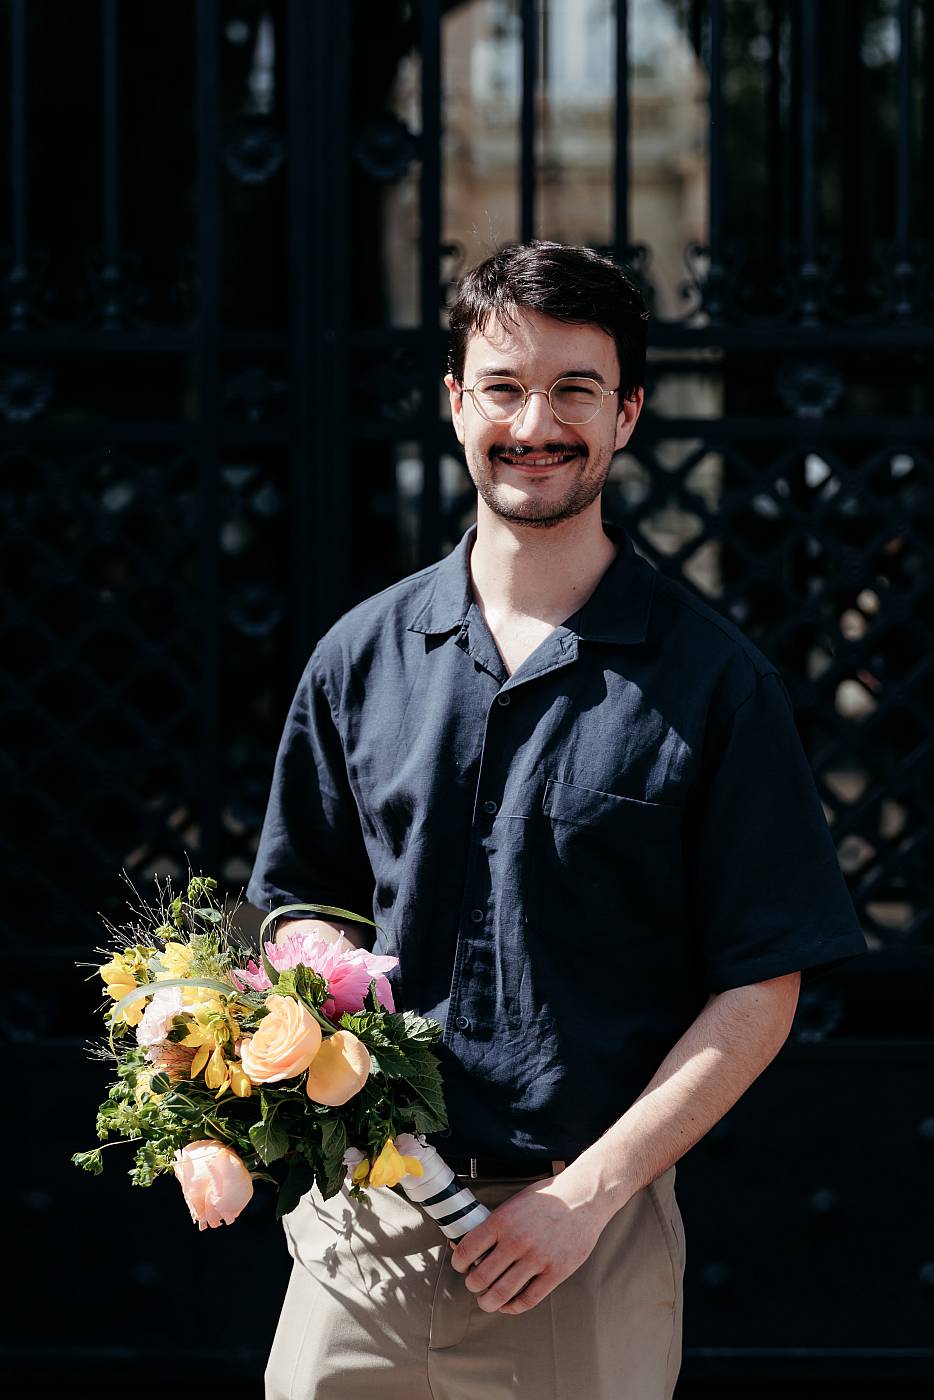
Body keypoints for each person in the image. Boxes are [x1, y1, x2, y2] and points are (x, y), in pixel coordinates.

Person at [247, 240, 866, 1400]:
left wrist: (584, 1195)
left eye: (575, 388)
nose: (537, 422)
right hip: (354, 1244)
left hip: (576, 1244)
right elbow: (290, 911)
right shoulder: (356, 657)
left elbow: (762, 983)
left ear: (627, 412)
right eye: (503, 387)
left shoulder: (716, 683)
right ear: (453, 404)